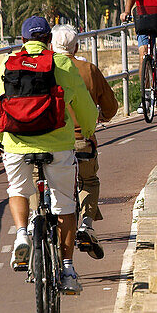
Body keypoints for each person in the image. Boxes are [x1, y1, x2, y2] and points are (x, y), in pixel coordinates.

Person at [0, 16, 99, 295]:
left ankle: (22, 236)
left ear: (23, 41)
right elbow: (85, 108)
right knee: (65, 204)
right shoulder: (62, 64)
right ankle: (69, 269)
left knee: (17, 189)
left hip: (17, 143)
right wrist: (87, 131)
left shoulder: (9, 63)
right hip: (57, 145)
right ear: (49, 40)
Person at [50, 24, 117, 259]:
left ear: (51, 45)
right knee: (89, 180)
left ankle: (35, 224)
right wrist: (102, 116)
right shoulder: (88, 69)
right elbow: (111, 106)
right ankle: (86, 225)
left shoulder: (46, 68)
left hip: (51, 142)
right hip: (82, 140)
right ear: (76, 46)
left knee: (49, 182)